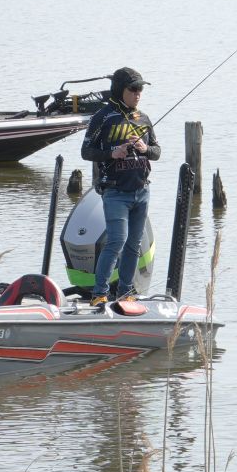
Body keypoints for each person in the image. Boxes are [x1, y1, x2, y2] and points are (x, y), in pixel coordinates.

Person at [80, 67, 162, 307]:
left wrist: (145, 149)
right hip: (115, 191)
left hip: (142, 191)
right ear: (120, 90)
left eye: (141, 89)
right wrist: (112, 153)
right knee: (116, 241)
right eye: (133, 89)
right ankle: (99, 294)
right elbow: (86, 151)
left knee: (134, 245)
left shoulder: (143, 119)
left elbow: (157, 152)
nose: (138, 94)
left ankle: (126, 292)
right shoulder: (103, 117)